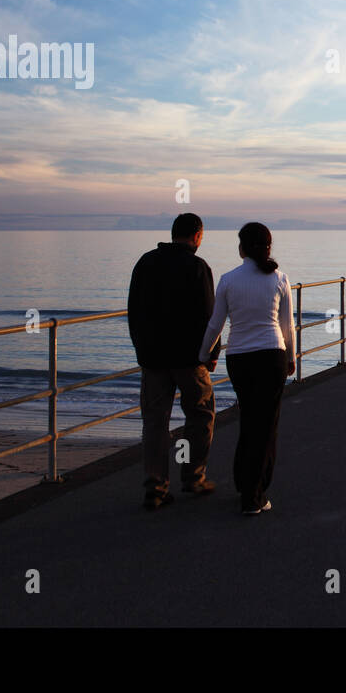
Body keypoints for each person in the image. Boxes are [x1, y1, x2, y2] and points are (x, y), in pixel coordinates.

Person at [199, 222, 296, 516]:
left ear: (241, 248)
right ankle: (253, 496)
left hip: (239, 358)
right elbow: (287, 326)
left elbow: (215, 324)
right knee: (266, 426)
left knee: (250, 419)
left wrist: (203, 355)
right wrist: (292, 358)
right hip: (271, 357)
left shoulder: (228, 280)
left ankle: (245, 482)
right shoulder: (279, 279)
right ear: (268, 247)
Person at [128, 212, 220, 510]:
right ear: (197, 236)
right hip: (189, 360)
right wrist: (211, 355)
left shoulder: (145, 263)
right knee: (201, 415)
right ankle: (193, 477)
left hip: (153, 359)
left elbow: (134, 312)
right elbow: (210, 316)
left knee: (155, 422)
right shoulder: (197, 267)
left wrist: (141, 350)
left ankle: (155, 488)